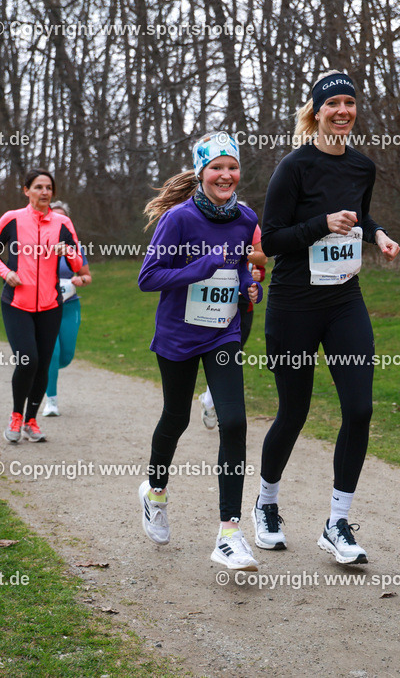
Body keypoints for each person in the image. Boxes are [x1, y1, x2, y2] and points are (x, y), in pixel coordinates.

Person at [255, 71, 400, 564]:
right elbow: (272, 239)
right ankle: (266, 505)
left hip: (344, 300)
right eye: (332, 103)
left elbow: (361, 215)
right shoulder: (293, 167)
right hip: (293, 304)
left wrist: (377, 235)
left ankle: (337, 522)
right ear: (316, 112)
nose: (342, 111)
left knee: (359, 410)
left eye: (349, 103)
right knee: (293, 412)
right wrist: (321, 224)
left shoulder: (362, 166)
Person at [137, 132, 263, 570]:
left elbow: (245, 267)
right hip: (178, 336)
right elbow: (148, 277)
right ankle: (155, 492)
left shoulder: (246, 218)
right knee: (177, 417)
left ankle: (230, 533)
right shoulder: (179, 219)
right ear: (201, 173)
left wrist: (249, 287)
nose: (226, 175)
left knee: (235, 421)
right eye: (216, 168)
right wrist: (202, 266)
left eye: (232, 167)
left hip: (222, 333)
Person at [0, 168, 84, 443]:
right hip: (17, 303)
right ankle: (16, 416)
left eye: (48, 188)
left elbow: (78, 261)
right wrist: (6, 272)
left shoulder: (62, 223)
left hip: (51, 305)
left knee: (42, 364)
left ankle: (31, 420)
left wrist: (69, 252)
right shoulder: (12, 219)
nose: (44, 192)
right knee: (27, 360)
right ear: (26, 190)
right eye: (39, 187)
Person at [198, 224, 267, 429]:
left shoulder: (249, 225)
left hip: (243, 301)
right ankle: (212, 402)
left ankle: (211, 401)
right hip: (211, 294)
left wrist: (255, 272)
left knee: (234, 350)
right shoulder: (206, 224)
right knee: (218, 350)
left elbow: (262, 262)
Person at [41, 201, 92, 417]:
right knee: (52, 354)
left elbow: (86, 276)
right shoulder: (36, 246)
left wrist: (81, 280)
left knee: (65, 357)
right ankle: (51, 400)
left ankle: (46, 371)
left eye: (62, 219)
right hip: (46, 308)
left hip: (70, 307)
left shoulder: (75, 247)